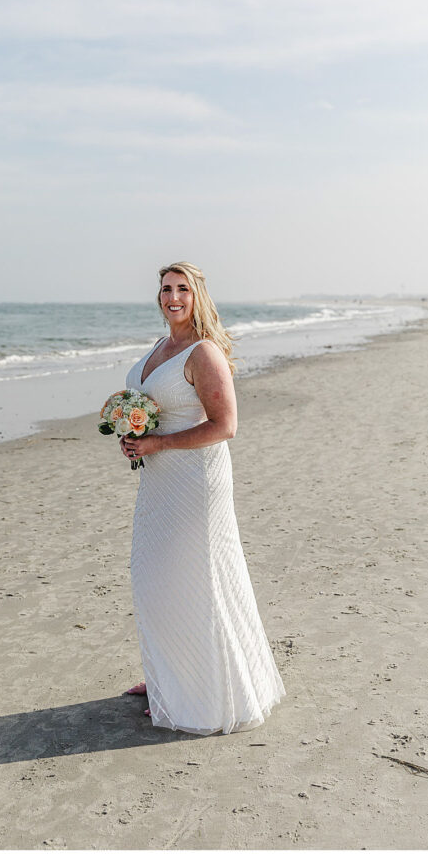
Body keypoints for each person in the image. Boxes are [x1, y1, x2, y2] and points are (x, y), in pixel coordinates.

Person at [120, 261, 286, 735]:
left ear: (198, 297)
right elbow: (156, 409)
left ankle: (196, 692)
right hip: (158, 479)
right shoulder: (161, 346)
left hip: (195, 481)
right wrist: (134, 433)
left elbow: (225, 426)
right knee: (154, 578)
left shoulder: (203, 352)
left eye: (182, 289)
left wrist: (158, 443)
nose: (172, 297)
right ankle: (163, 679)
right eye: (166, 289)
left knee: (192, 577)